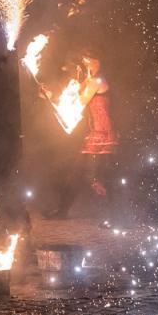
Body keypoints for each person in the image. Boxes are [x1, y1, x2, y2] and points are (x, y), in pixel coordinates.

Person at [50, 53, 119, 219]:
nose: (84, 61)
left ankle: (116, 216)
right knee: (76, 174)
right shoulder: (89, 80)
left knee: (95, 177)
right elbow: (71, 98)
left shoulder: (97, 81)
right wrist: (50, 95)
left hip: (103, 135)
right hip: (94, 134)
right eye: (84, 58)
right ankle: (62, 211)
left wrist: (60, 100)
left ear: (98, 61)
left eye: (88, 58)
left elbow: (79, 102)